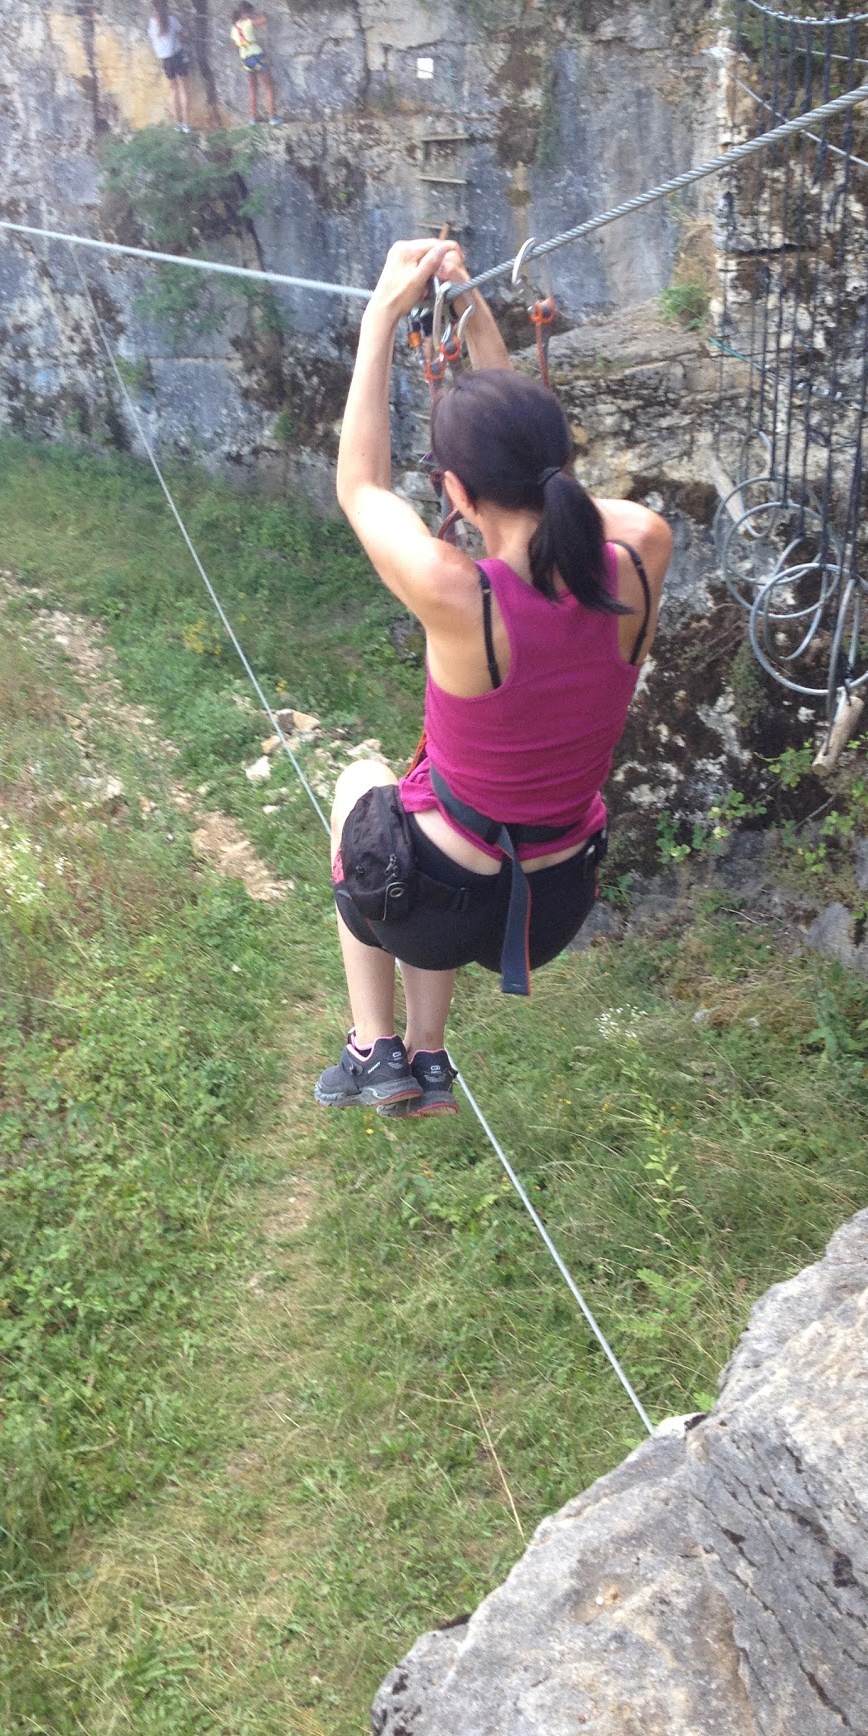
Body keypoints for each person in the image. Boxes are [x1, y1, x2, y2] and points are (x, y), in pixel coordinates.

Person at [316, 238, 672, 1118]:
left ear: (457, 494)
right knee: (434, 800)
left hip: (436, 898)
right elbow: (543, 481)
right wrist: (473, 310)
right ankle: (429, 1057)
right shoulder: (641, 553)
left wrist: (379, 318)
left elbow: (360, 488)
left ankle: (374, 1046)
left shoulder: (460, 597)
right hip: (553, 899)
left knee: (363, 783)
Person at [230, 1, 280, 125]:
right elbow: (263, 20)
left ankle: (253, 118)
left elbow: (235, 46)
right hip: (256, 55)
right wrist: (262, 13)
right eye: (251, 12)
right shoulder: (248, 22)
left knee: (252, 88)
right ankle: (272, 117)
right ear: (245, 13)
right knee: (268, 86)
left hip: (245, 58)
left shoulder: (234, 28)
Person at [147, 0, 192, 131]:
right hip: (177, 56)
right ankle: (186, 124)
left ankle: (177, 124)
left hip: (165, 60)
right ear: (166, 6)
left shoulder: (152, 24)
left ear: (154, 8)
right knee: (183, 89)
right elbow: (181, 37)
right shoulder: (172, 20)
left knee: (173, 90)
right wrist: (187, 35)